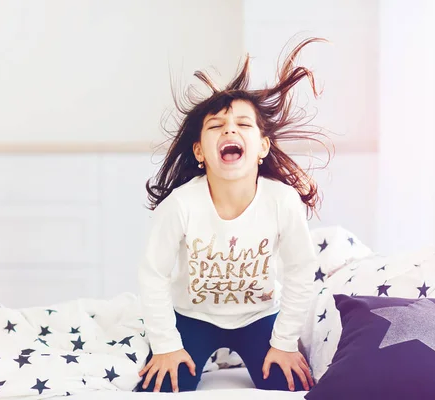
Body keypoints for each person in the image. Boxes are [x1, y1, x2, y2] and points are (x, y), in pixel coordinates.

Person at [138, 37, 330, 393]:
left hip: (261, 318)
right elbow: (153, 274)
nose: (229, 129)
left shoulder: (282, 201)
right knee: (165, 386)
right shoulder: (181, 205)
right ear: (199, 150)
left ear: (262, 146)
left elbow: (301, 271)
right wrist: (166, 345)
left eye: (243, 124)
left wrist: (285, 342)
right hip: (192, 318)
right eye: (216, 126)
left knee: (288, 384)